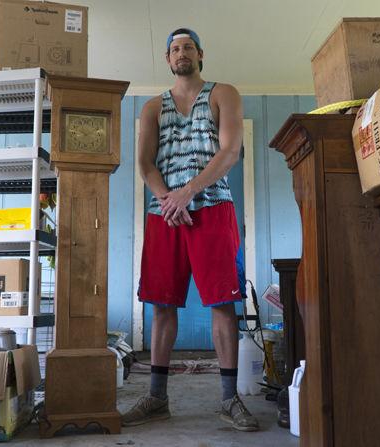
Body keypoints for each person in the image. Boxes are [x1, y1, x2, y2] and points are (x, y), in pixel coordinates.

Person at [121, 28, 259, 432]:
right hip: (163, 214)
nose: (181, 52)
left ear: (201, 54)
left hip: (212, 208)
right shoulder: (151, 107)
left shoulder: (223, 94)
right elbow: (145, 164)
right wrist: (169, 198)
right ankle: (157, 398)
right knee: (161, 304)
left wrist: (188, 192)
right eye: (174, 48)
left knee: (222, 303)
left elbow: (230, 150)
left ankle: (229, 399)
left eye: (188, 47)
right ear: (168, 59)